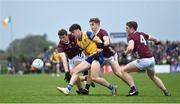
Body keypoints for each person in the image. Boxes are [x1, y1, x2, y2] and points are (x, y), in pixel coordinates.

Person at [57, 24, 117, 96]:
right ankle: (67, 89)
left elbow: (98, 40)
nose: (72, 34)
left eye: (73, 32)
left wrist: (98, 51)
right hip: (90, 57)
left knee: (95, 78)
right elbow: (85, 51)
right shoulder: (78, 41)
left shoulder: (88, 33)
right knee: (75, 71)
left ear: (78, 30)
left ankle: (112, 87)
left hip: (97, 56)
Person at [121, 21, 170, 96]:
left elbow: (130, 48)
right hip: (151, 59)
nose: (125, 29)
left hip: (143, 60)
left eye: (127, 28)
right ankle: (165, 91)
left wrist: (125, 53)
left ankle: (133, 89)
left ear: (132, 28)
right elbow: (153, 38)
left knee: (124, 71)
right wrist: (157, 42)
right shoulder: (142, 34)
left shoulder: (131, 36)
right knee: (153, 76)